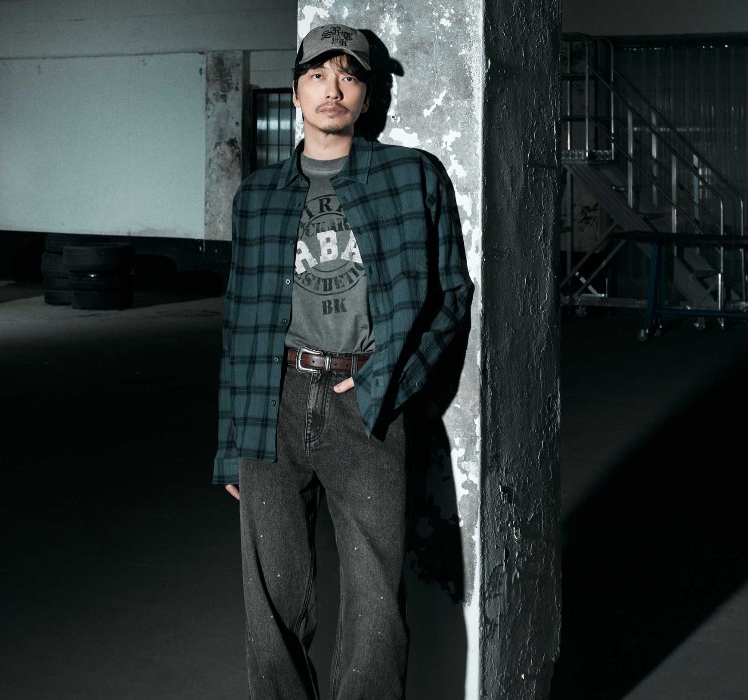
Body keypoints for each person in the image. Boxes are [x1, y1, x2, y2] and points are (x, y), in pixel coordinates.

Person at [214, 23, 472, 699]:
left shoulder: (411, 177)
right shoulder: (258, 196)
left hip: (367, 403)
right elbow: (240, 320)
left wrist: (387, 382)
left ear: (367, 94)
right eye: (319, 75)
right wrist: (230, 443)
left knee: (376, 614)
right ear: (297, 90)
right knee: (271, 608)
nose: (333, 89)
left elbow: (452, 297)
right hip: (272, 400)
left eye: (350, 76)